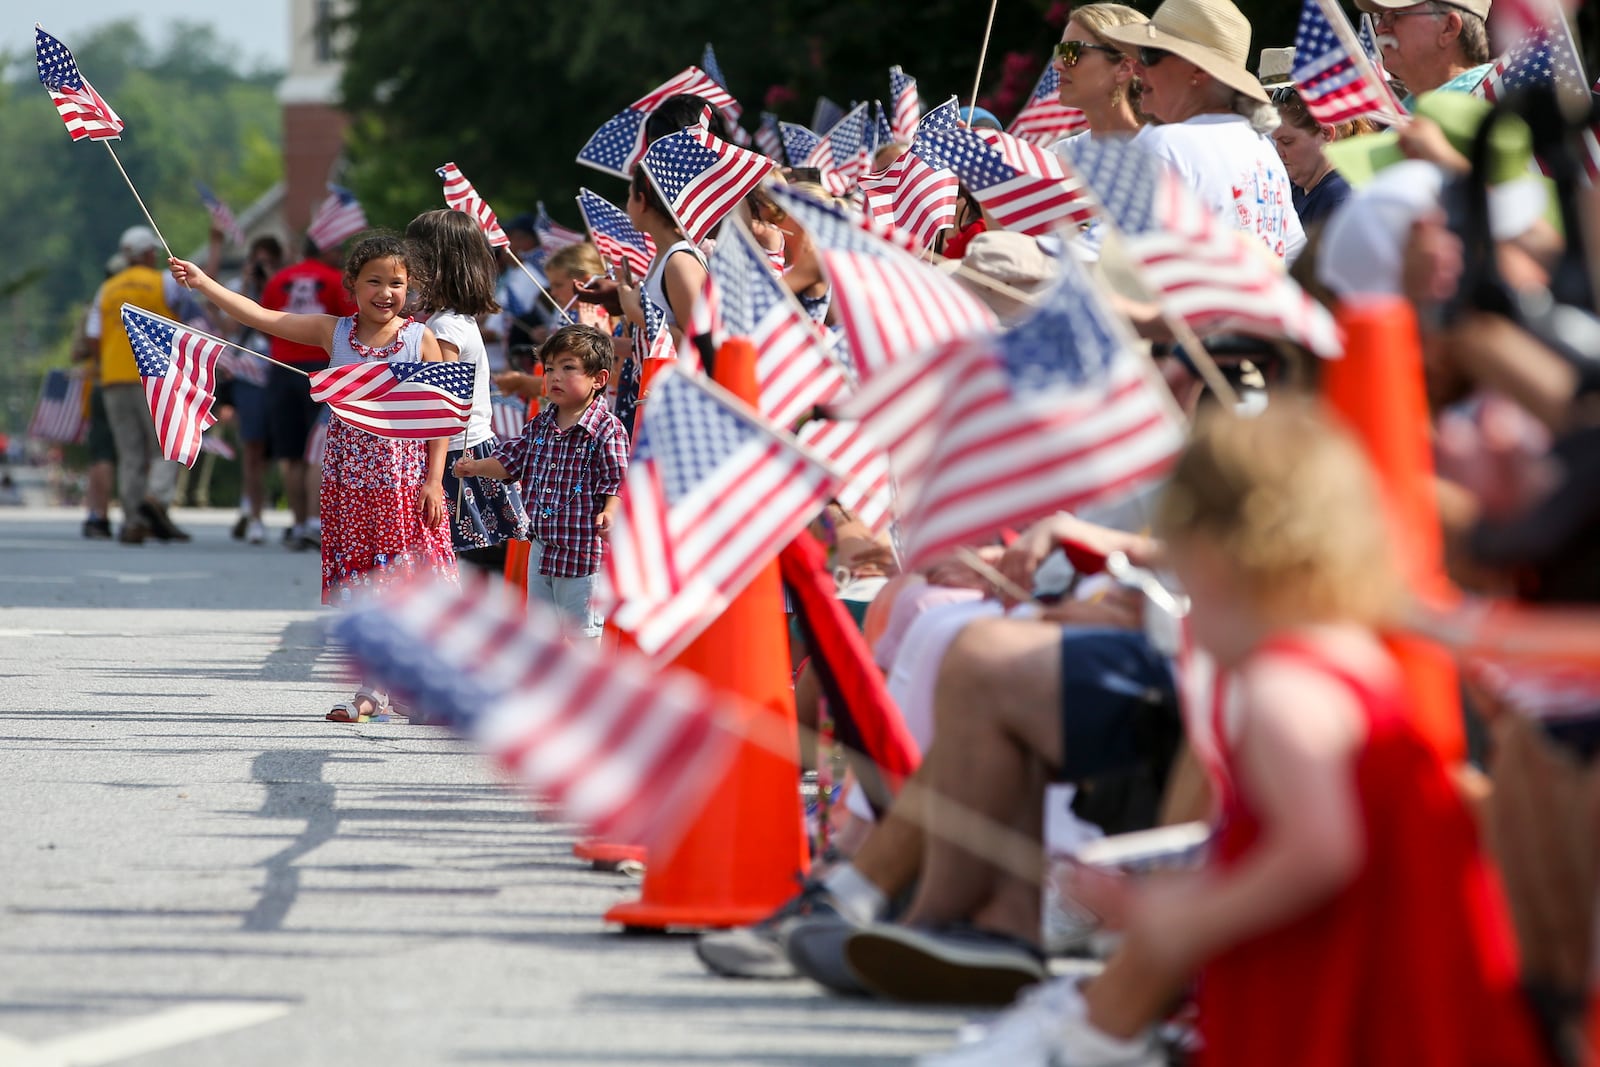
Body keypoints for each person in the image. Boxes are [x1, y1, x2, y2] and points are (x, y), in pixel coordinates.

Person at [1046, 401, 1544, 1067]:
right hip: (1389, 977)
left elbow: (1319, 849)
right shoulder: (1353, 655)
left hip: (1329, 993)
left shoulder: (1283, 692)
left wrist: (1193, 918)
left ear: (1216, 560)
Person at [169, 235, 459, 721]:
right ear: (352, 286)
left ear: (410, 289)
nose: (386, 292)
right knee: (367, 585)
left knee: (407, 584)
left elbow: (442, 416)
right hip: (348, 482)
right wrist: (204, 284)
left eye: (397, 283)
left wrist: (434, 480)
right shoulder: (334, 332)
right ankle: (374, 685)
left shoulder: (420, 338)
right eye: (375, 281)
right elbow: (263, 317)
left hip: (405, 483)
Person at [452, 324, 628, 641]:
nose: (555, 376)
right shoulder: (542, 423)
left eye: (568, 368)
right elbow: (510, 460)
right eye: (549, 369)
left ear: (599, 380)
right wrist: (475, 466)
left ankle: (578, 691)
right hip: (543, 550)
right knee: (542, 637)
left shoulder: (607, 428)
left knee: (581, 639)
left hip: (583, 555)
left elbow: (617, 479)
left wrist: (610, 512)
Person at [1100, 0, 1306, 261]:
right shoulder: (1264, 149)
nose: (1137, 68)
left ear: (1197, 69)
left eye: (1150, 55)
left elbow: (1105, 258)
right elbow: (1293, 255)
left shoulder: (1165, 146)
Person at [404, 209, 530, 574]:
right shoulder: (457, 320)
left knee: (451, 559)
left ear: (434, 264)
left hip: (454, 456)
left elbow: (439, 405)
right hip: (469, 447)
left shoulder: (445, 328)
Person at [89, 226, 194, 545]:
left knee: (130, 453)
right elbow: (193, 300)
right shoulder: (161, 281)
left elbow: (94, 337)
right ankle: (155, 497)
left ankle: (133, 521)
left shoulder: (106, 289)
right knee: (168, 443)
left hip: (114, 379)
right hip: (154, 375)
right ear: (149, 254)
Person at [260, 236, 357, 551]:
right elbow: (348, 324)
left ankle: (299, 522)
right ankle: (316, 523)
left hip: (280, 365)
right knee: (319, 448)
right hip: (319, 366)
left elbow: (265, 321)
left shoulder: (278, 279)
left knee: (291, 454)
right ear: (327, 249)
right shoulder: (332, 279)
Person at [205, 231, 284, 544]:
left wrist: (272, 284)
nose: (263, 268)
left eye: (269, 262)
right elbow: (229, 328)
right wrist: (250, 288)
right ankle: (254, 515)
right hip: (247, 377)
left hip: (279, 373)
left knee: (278, 452)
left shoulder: (284, 287)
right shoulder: (240, 289)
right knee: (252, 448)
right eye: (258, 261)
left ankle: (256, 503)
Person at [1269, 88, 1376, 228]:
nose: (1279, 152)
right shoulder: (1294, 188)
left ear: (1326, 133)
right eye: (1276, 141)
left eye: (1287, 141)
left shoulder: (1340, 198)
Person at [73, 251, 124, 540]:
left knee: (101, 453)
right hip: (128, 381)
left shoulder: (98, 300)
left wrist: (100, 360)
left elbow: (80, 347)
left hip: (101, 381)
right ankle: (133, 515)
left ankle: (97, 515)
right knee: (130, 453)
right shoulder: (136, 298)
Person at [1355, 0, 1493, 102]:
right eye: (1380, 16)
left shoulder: (1495, 100)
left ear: (1449, 28)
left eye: (1396, 15)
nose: (1380, 28)